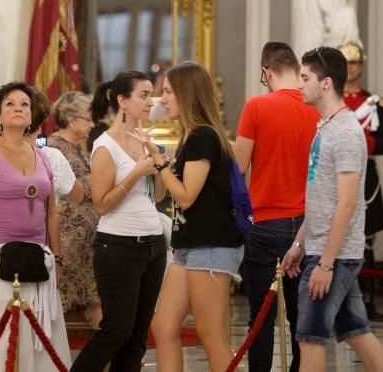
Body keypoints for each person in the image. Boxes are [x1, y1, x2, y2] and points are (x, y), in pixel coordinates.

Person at [282, 46, 383, 372]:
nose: (300, 84)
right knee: (358, 333)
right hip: (323, 247)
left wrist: (324, 264)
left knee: (309, 338)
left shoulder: (346, 132)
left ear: (325, 83)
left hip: (333, 254)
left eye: (305, 77)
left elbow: (346, 202)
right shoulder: (326, 127)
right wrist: (300, 243)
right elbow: (320, 197)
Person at [0, 81, 71, 371]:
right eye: (10, 104)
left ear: (32, 116)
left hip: (37, 255)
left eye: (24, 104)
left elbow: (52, 213)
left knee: (39, 329)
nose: (18, 108)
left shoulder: (42, 156)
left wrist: (57, 257)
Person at [147, 61, 244, 372]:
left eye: (168, 92)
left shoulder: (203, 136)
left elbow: (187, 196)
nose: (162, 99)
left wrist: (160, 163)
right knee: (163, 325)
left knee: (210, 333)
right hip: (190, 243)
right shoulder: (191, 136)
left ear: (187, 95)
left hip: (213, 243)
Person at [70, 71, 167, 372]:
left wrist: (156, 158)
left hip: (153, 244)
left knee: (138, 336)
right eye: (143, 95)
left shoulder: (146, 140)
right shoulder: (105, 145)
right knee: (116, 331)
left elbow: (160, 195)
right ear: (122, 100)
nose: (150, 101)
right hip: (118, 246)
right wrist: (136, 172)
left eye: (151, 95)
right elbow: (101, 204)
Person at [234, 42, 319, 372]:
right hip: (305, 226)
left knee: (260, 318)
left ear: (266, 72)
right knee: (301, 317)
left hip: (265, 221)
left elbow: (239, 167)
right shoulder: (316, 108)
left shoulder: (257, 106)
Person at [46, 91, 101, 327]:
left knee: (96, 295)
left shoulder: (79, 148)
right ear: (70, 119)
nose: (92, 124)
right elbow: (73, 188)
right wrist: (103, 179)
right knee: (60, 296)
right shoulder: (53, 146)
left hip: (90, 237)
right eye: (87, 118)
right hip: (67, 237)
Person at [338, 41, 383, 321]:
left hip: (365, 177)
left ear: (361, 66)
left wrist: (361, 142)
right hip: (336, 175)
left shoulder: (372, 102)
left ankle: (365, 301)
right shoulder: (332, 100)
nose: (350, 67)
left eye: (354, 63)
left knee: (365, 239)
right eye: (346, 62)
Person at [27, 88, 84, 205]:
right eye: (88, 119)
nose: (92, 124)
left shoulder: (52, 154)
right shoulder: (50, 154)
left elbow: (77, 194)